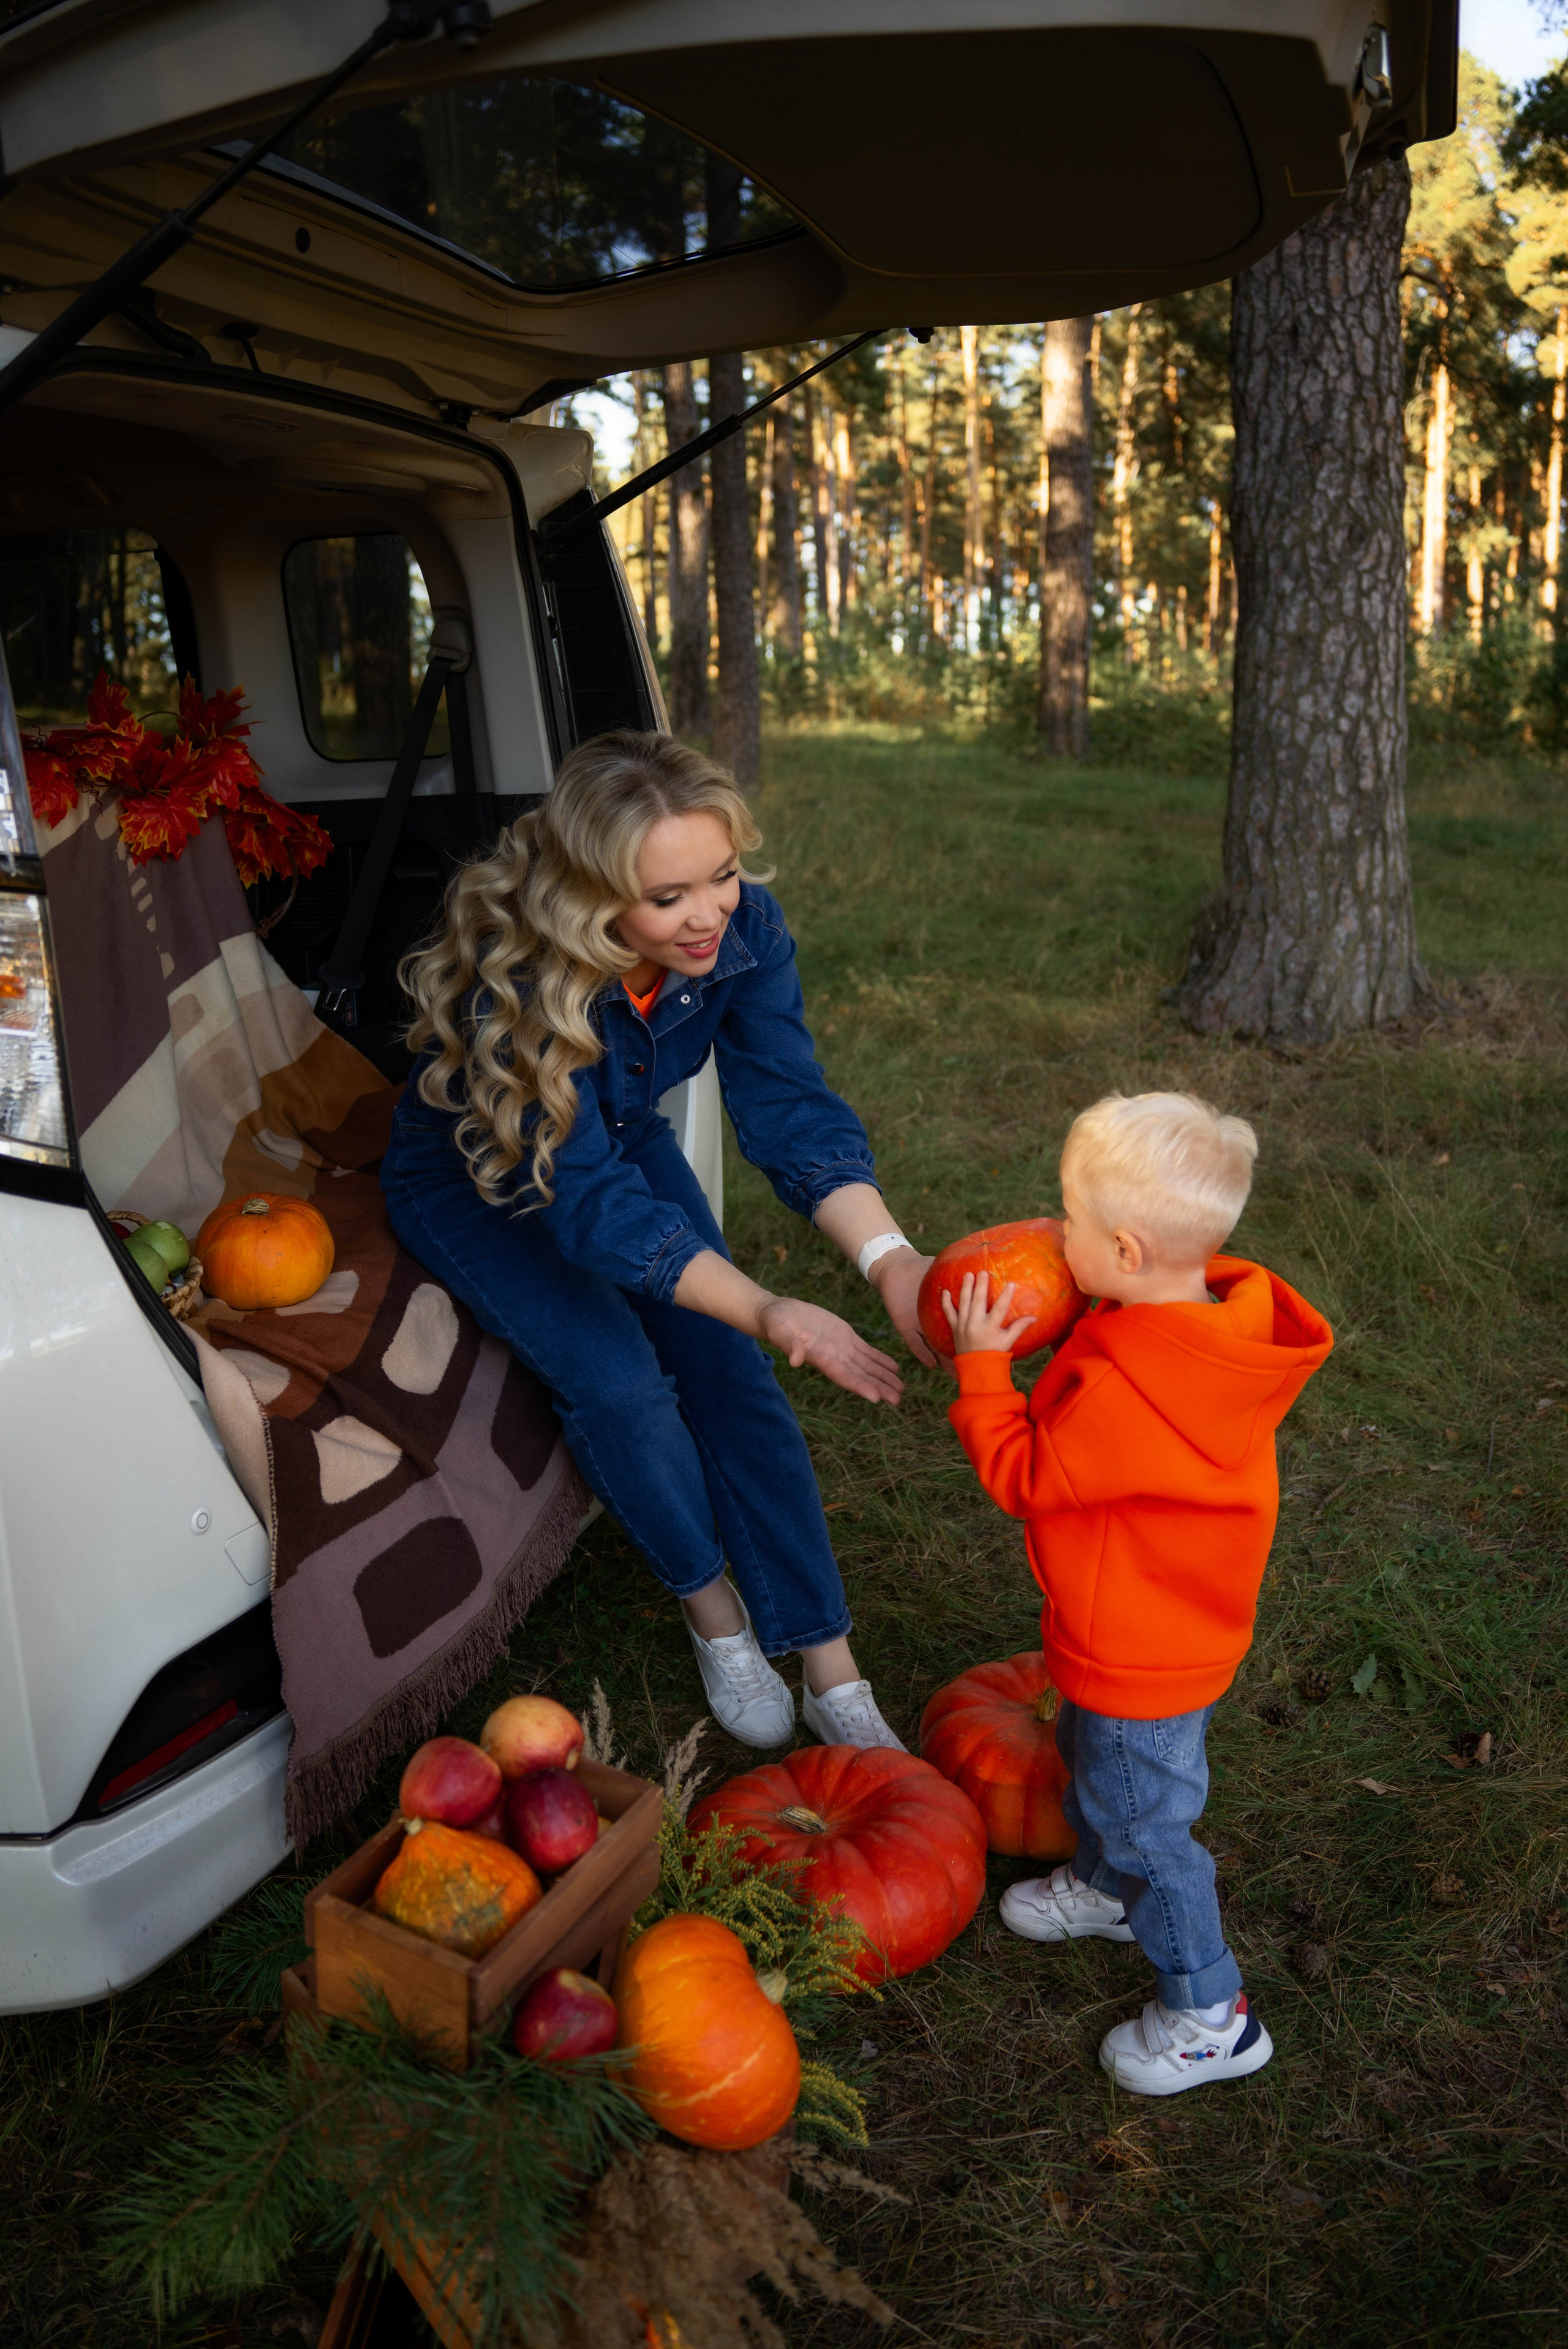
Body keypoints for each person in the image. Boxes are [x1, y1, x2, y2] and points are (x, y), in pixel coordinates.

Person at [382, 731, 935, 1751]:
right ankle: (713, 1609)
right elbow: (587, 1205)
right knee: (624, 1384)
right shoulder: (527, 986)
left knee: (735, 1378)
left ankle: (829, 1663)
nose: (710, 914)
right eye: (669, 896)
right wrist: (769, 1304)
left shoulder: (745, 932)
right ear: (592, 903)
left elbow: (792, 1110)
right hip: (482, 1173)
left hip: (616, 1145)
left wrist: (890, 1260)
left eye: (721, 875)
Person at [940, 1092, 1332, 2095]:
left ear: (1122, 1248)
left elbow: (1027, 1478)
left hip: (1137, 1648)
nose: (1055, 1235)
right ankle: (1106, 1889)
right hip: (1167, 1617)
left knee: (1150, 1825)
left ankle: (1210, 2012)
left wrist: (983, 1370)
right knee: (1092, 1766)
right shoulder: (1199, 1328)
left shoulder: (1131, 1392)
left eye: (1067, 1222)